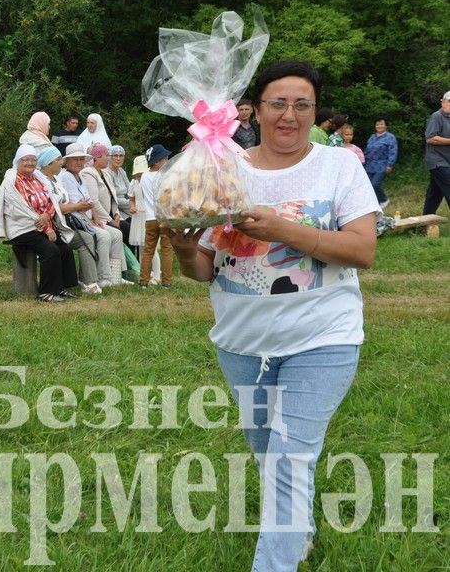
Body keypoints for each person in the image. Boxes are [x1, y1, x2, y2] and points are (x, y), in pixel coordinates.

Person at [167, 61, 378, 571]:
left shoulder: (339, 165)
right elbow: (205, 270)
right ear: (254, 110)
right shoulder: (221, 170)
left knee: (289, 457)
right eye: (278, 103)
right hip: (242, 345)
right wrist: (180, 245)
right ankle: (298, 528)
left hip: (324, 337)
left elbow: (362, 250)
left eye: (302, 104)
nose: (289, 115)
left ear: (314, 112)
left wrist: (283, 229)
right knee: (271, 454)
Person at [0, 144, 78, 302]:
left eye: (33, 160)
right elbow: (23, 209)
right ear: (17, 161)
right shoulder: (13, 181)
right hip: (22, 227)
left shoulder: (37, 178)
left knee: (65, 249)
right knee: (51, 250)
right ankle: (46, 292)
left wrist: (47, 215)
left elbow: (50, 200)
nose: (30, 163)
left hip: (40, 225)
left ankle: (60, 288)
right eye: (25, 160)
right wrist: (47, 228)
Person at [34, 146, 102, 294]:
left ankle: (91, 279)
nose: (61, 163)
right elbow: (55, 207)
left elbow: (62, 205)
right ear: (48, 164)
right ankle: (89, 281)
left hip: (63, 224)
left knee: (91, 236)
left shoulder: (56, 179)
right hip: (53, 227)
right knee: (86, 239)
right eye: (58, 160)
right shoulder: (42, 181)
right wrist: (78, 206)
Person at [58, 143, 125, 288]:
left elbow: (89, 202)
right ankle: (103, 277)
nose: (79, 162)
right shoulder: (65, 177)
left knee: (116, 234)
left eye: (81, 159)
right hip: (74, 222)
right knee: (104, 235)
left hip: (86, 219)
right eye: (75, 159)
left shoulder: (79, 176)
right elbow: (78, 205)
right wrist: (90, 217)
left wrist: (95, 218)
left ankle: (115, 275)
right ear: (66, 162)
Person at [139, 144, 173, 289]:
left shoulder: (144, 176)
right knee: (166, 249)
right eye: (165, 159)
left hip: (150, 218)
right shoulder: (164, 176)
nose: (167, 161)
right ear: (157, 161)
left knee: (148, 250)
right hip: (164, 217)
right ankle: (166, 281)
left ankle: (143, 281)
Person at [422, 90, 450, 215]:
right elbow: (430, 138)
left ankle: (424, 222)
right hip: (437, 161)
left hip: (447, 161)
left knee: (435, 193)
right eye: (448, 101)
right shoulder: (437, 116)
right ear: (442, 102)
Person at [363, 117, 398, 209]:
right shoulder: (372, 137)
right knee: (369, 186)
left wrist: (390, 165)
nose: (379, 126)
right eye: (377, 124)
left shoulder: (390, 137)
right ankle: (375, 203)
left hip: (382, 165)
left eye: (382, 124)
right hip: (370, 165)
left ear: (386, 126)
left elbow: (393, 152)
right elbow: (367, 151)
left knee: (375, 184)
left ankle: (384, 199)